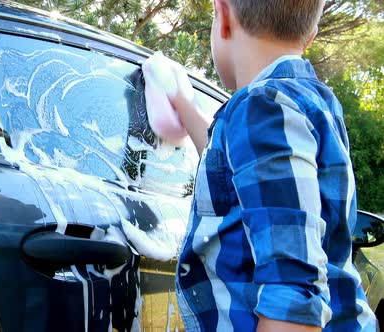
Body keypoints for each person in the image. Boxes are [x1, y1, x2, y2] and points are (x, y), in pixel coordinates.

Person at [141, 0, 378, 331]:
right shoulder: (312, 104)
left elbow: (292, 292)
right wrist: (181, 102)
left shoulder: (265, 107)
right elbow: (228, 172)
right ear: (311, 34)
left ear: (222, 15)